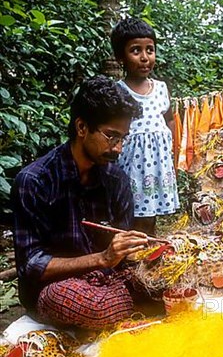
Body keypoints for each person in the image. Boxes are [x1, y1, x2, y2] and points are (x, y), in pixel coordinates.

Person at [11, 75, 151, 330]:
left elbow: (121, 252)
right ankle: (126, 309)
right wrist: (102, 259)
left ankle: (126, 305)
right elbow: (31, 266)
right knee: (94, 307)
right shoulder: (34, 181)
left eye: (123, 138)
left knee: (176, 280)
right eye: (111, 136)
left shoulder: (116, 178)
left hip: (108, 280)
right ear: (82, 127)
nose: (118, 149)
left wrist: (139, 252)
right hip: (55, 289)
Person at [111, 17, 180, 236]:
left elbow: (169, 119)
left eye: (150, 50)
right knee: (128, 214)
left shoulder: (160, 88)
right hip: (132, 165)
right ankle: (127, 257)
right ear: (120, 57)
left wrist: (174, 153)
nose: (144, 58)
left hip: (157, 164)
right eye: (135, 51)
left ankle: (148, 254)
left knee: (151, 215)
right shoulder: (118, 91)